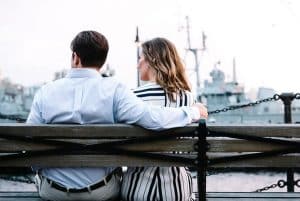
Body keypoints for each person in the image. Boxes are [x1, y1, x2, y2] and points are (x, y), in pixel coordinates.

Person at [26, 31, 208, 201]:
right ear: (103, 61)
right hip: (101, 192)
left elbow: (29, 144)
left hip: (53, 191)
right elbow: (153, 119)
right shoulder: (114, 91)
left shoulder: (45, 91)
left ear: (75, 57)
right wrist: (193, 111)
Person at [121, 37, 202, 201]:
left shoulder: (132, 97)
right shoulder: (187, 99)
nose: (138, 65)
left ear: (152, 61)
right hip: (178, 190)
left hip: (136, 190)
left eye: (140, 59)